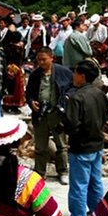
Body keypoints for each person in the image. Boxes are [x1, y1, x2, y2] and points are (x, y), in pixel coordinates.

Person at [64, 61, 108, 216]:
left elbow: (71, 125)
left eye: (75, 73)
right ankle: (98, 215)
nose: (73, 76)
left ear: (82, 76)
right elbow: (105, 116)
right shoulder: (100, 94)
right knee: (95, 181)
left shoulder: (76, 98)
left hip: (81, 147)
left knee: (79, 185)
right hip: (97, 144)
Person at [25, 47, 72, 184]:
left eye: (44, 60)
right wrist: (31, 102)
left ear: (52, 58)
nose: (41, 62)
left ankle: (63, 171)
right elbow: (29, 93)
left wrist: (66, 100)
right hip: (40, 115)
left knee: (61, 145)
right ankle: (40, 172)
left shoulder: (63, 72)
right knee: (40, 147)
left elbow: (72, 88)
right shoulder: (35, 75)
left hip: (57, 114)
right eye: (39, 60)